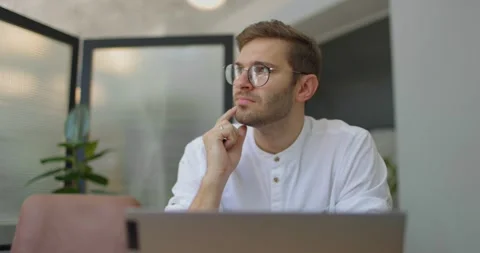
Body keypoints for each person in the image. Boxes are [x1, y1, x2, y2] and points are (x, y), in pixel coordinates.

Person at [165, 20, 392, 213]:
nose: (241, 83)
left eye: (261, 70)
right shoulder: (202, 153)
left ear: (304, 88)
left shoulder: (348, 146)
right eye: (239, 70)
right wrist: (215, 177)